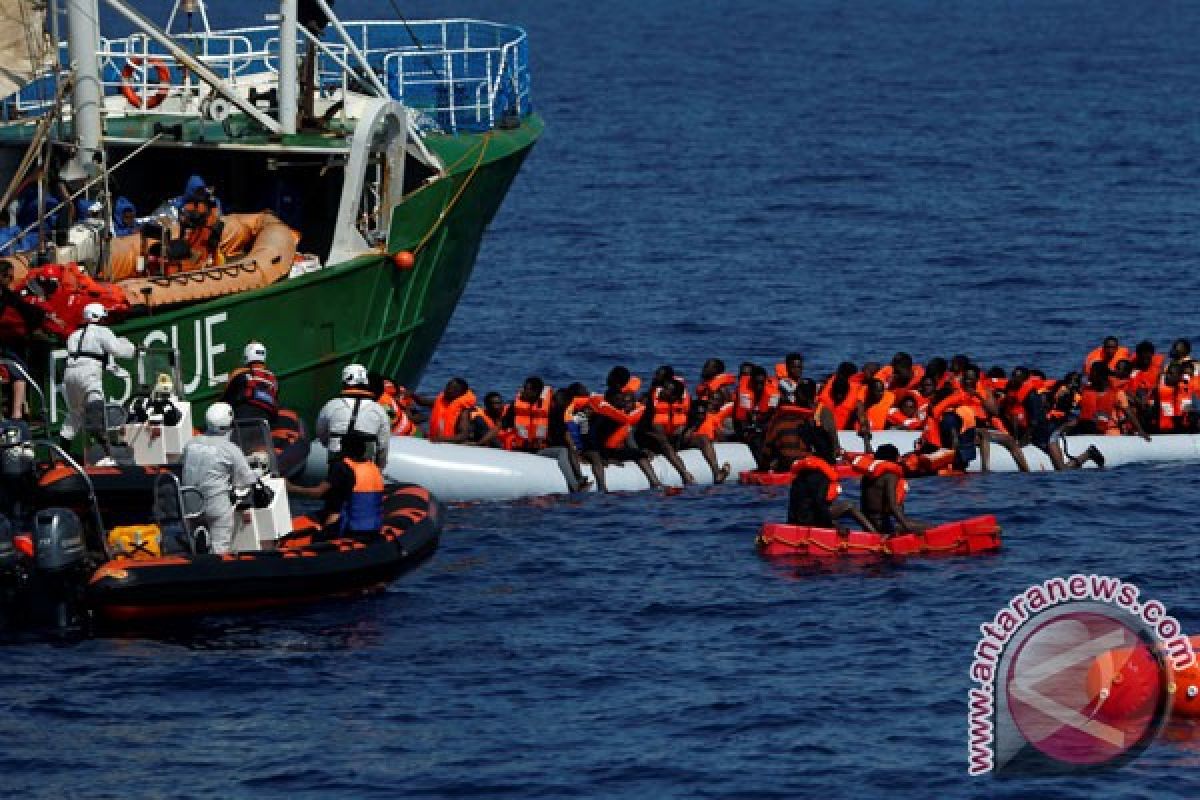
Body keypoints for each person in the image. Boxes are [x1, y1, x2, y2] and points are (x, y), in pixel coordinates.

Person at [59, 302, 134, 458]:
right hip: (89, 372)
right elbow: (117, 350)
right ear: (98, 317)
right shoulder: (102, 332)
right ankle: (105, 452)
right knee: (96, 404)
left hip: (69, 374)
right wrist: (133, 348)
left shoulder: (74, 334)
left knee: (75, 413)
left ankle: (63, 452)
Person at [181, 402, 257, 554]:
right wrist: (258, 472)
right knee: (220, 547)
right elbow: (246, 480)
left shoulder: (191, 443)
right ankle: (217, 565)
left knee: (194, 545)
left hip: (190, 503)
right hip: (215, 504)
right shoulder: (231, 449)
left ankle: (199, 546)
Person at [293, 432, 385, 538]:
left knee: (321, 530)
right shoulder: (374, 468)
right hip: (374, 528)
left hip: (352, 529)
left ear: (344, 448)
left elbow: (317, 493)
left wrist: (291, 487)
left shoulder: (342, 467)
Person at [786, 429, 874, 531]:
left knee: (828, 513)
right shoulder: (822, 475)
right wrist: (832, 526)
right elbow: (819, 503)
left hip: (796, 518)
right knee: (849, 506)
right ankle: (875, 535)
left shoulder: (802, 472)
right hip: (809, 520)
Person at [315, 363, 390, 468]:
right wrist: (379, 468)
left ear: (344, 382)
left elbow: (321, 434)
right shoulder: (379, 410)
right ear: (366, 382)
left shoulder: (331, 405)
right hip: (365, 468)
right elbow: (383, 445)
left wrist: (332, 442)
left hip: (337, 464)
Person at [1067, 362, 1149, 440]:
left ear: (1102, 376)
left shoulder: (1117, 393)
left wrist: (1140, 430)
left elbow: (1129, 413)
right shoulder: (1086, 391)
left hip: (1109, 432)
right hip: (1088, 431)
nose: (1090, 378)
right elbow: (1078, 413)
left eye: (1093, 375)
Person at [860, 444, 927, 535]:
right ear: (895, 458)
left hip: (868, 524)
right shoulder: (890, 476)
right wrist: (907, 527)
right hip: (882, 526)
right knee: (929, 528)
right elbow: (893, 505)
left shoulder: (866, 476)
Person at [221, 341, 278, 424]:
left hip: (243, 417)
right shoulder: (272, 379)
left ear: (247, 355)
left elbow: (225, 399)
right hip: (265, 422)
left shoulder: (239, 373)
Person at [423, 377, 476, 443]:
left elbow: (463, 435)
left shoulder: (463, 411)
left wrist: (442, 439)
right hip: (436, 440)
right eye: (448, 387)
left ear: (461, 393)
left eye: (454, 389)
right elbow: (424, 402)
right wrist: (413, 395)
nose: (448, 390)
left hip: (450, 445)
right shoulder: (441, 401)